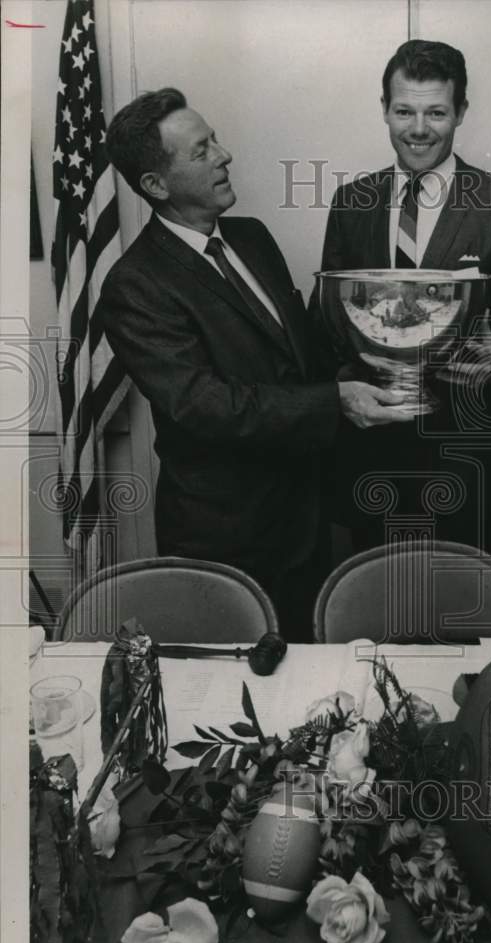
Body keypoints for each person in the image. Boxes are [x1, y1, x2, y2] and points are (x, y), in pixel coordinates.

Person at [97, 88, 411, 640]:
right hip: (226, 537)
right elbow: (206, 405)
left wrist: (383, 364)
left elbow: (300, 357)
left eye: (214, 138)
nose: (224, 155)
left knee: (312, 689)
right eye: (201, 151)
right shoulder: (134, 285)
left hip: (307, 520)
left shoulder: (252, 237)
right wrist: (335, 401)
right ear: (155, 185)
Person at [315, 39, 491, 554]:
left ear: (461, 112)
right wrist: (347, 390)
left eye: (436, 112)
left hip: (460, 452)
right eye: (404, 111)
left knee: (457, 610)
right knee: (369, 606)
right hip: (368, 450)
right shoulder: (352, 202)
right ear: (385, 111)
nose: (418, 129)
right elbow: (327, 322)